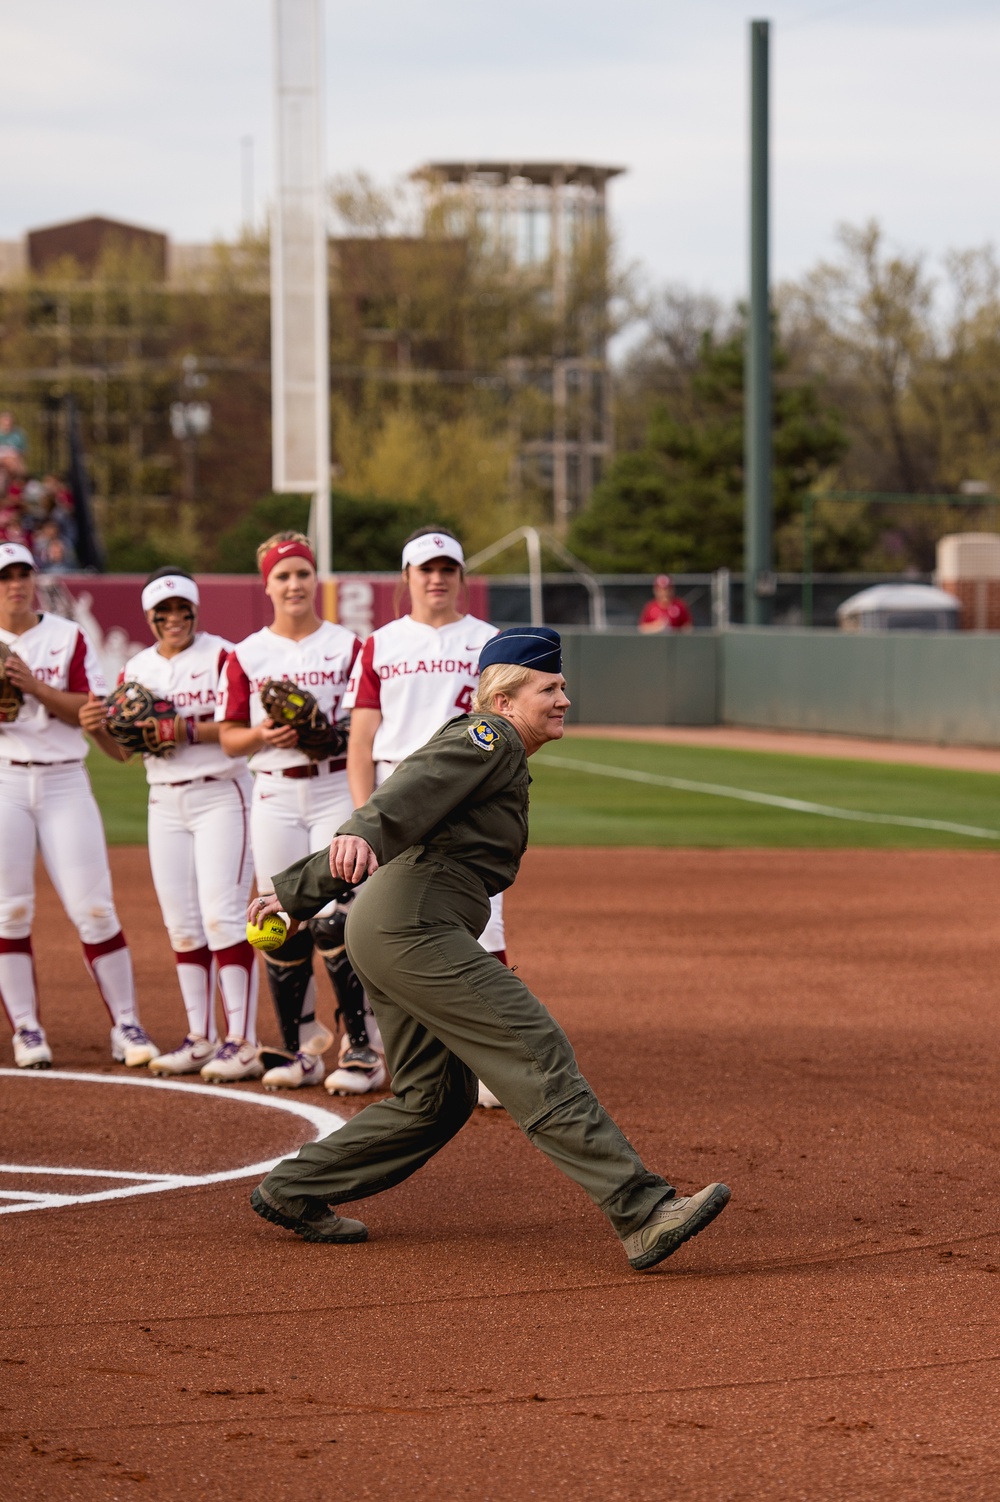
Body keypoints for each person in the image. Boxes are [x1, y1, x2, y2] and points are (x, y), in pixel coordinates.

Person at [247, 626, 730, 1272]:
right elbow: (411, 787)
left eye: (562, 686)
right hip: (412, 924)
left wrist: (300, 890)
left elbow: (421, 805)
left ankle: (295, 1187)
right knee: (532, 1047)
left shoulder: (501, 750)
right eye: (549, 688)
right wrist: (344, 845)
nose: (564, 698)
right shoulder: (489, 736)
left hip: (394, 925)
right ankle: (642, 1211)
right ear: (503, 699)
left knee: (436, 1099)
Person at [340, 526, 503, 1105]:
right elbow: (361, 741)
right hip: (395, 789)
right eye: (425, 569)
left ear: (461, 578)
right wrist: (366, 816)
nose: (436, 579)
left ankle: (492, 1061)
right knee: (382, 925)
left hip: (466, 794)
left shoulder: (488, 642)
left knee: (484, 928)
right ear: (406, 578)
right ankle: (392, 1050)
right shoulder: (380, 643)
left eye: (447, 569)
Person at [81, 568, 259, 1081]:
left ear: (195, 611)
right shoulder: (135, 668)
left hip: (220, 793)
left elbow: (240, 728)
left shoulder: (224, 656)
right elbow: (123, 751)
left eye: (183, 609)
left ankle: (241, 1039)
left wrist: (182, 728)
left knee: (223, 917)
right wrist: (97, 731)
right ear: (150, 617)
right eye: (164, 612)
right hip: (164, 800)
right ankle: (201, 1037)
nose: (174, 619)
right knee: (181, 924)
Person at [217, 531, 375, 1090]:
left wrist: (331, 734)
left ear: (315, 580)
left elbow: (363, 724)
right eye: (282, 575)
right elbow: (229, 738)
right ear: (267, 585)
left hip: (333, 786)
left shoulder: (348, 645)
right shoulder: (246, 653)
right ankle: (297, 1049)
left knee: (340, 918)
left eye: (302, 573)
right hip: (275, 792)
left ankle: (362, 1046)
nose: (294, 584)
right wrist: (264, 732)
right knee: (278, 918)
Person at [0, 541, 157, 1070]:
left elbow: (89, 714)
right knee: (10, 911)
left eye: (23, 573)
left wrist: (32, 687)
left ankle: (127, 1023)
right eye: (5, 576)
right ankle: (26, 1028)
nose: (15, 583)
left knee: (95, 910)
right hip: (5, 781)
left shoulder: (66, 636)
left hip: (65, 779)